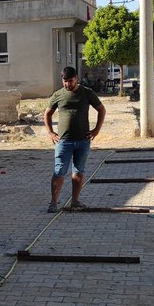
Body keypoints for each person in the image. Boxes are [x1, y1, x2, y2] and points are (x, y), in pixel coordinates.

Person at [43, 65, 105, 213]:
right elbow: (47, 114)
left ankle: (75, 201)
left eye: (70, 81)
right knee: (59, 172)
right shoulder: (58, 95)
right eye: (65, 81)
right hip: (63, 142)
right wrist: (51, 133)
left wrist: (96, 130)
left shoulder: (87, 93)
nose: (67, 84)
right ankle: (53, 203)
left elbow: (101, 109)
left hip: (83, 141)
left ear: (76, 78)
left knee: (78, 172)